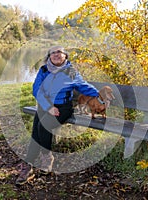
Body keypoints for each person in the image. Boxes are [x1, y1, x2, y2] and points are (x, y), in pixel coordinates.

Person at [15, 45, 99, 185]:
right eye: (52, 53)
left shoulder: (70, 72)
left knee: (43, 126)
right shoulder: (43, 70)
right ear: (49, 57)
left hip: (63, 107)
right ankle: (28, 166)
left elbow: (83, 85)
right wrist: (48, 107)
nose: (56, 54)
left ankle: (46, 159)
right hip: (45, 106)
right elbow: (36, 90)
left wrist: (98, 94)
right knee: (36, 132)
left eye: (59, 52)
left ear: (65, 55)